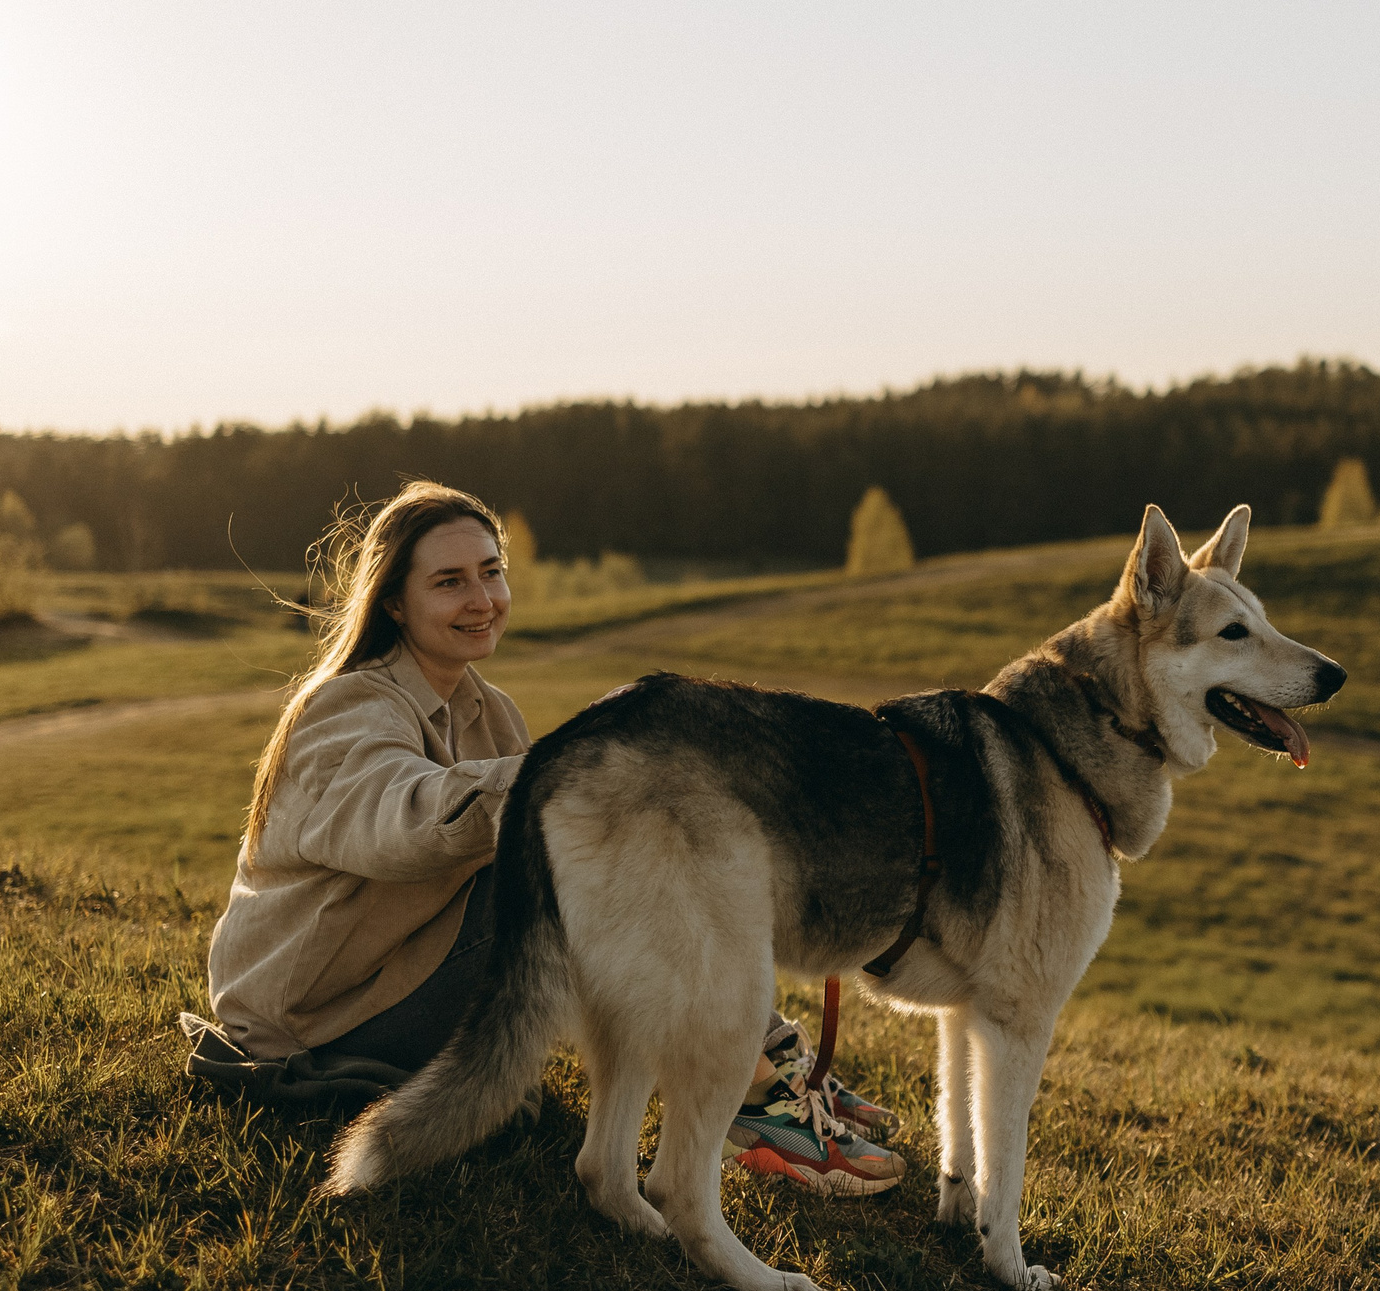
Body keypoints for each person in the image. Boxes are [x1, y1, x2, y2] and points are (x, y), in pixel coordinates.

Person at [181, 480, 905, 1195]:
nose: (481, 599)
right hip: (314, 1008)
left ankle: (764, 1056)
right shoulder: (347, 705)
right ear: (395, 602)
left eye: (492, 573)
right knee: (580, 866)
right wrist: (585, 778)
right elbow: (397, 825)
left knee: (609, 858)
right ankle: (757, 1096)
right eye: (449, 582)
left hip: (400, 972)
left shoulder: (488, 710)